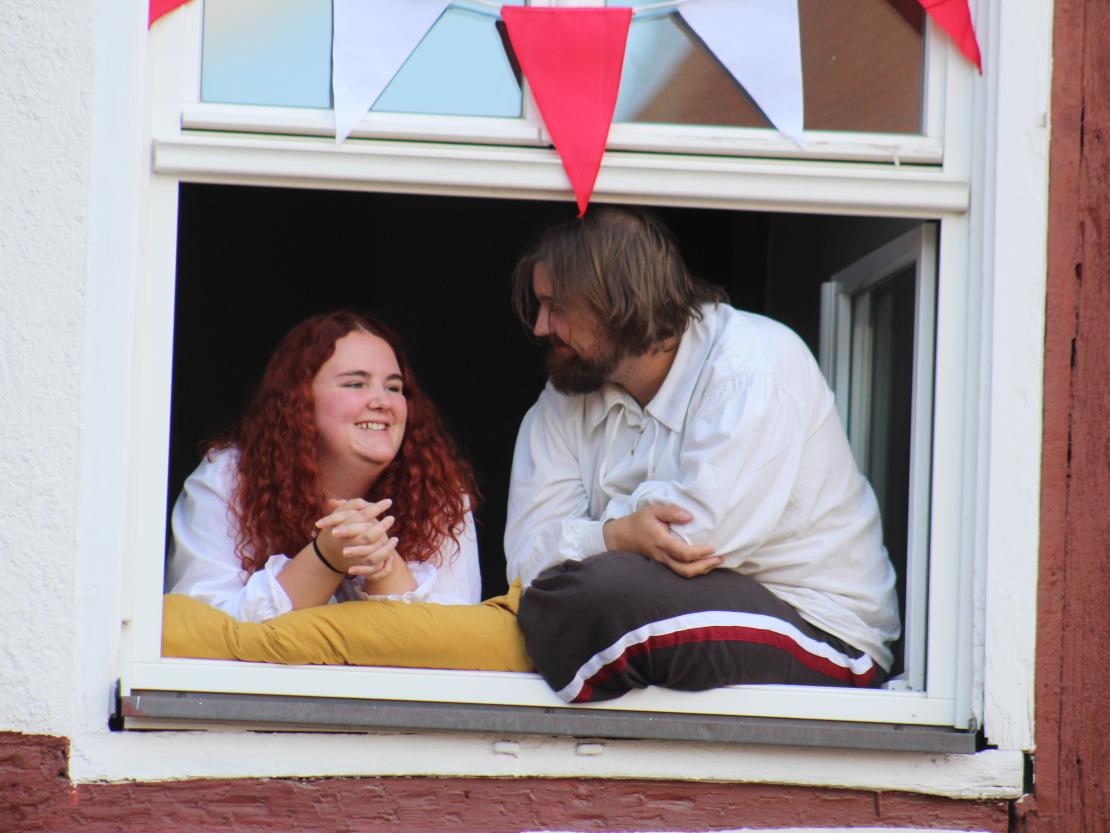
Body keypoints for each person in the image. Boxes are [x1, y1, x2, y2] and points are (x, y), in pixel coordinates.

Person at [504, 207, 901, 703]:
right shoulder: (563, 398)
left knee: (599, 597)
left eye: (555, 306)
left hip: (823, 632)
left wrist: (591, 544)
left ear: (618, 302)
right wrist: (618, 533)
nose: (541, 326)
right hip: (676, 605)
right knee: (568, 601)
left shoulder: (752, 360)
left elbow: (697, 538)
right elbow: (525, 566)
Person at [167, 311, 481, 622]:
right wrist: (325, 559)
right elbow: (201, 628)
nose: (382, 401)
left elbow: (456, 641)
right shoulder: (231, 476)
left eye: (394, 387)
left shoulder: (439, 493)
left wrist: (384, 566)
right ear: (300, 400)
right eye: (356, 384)